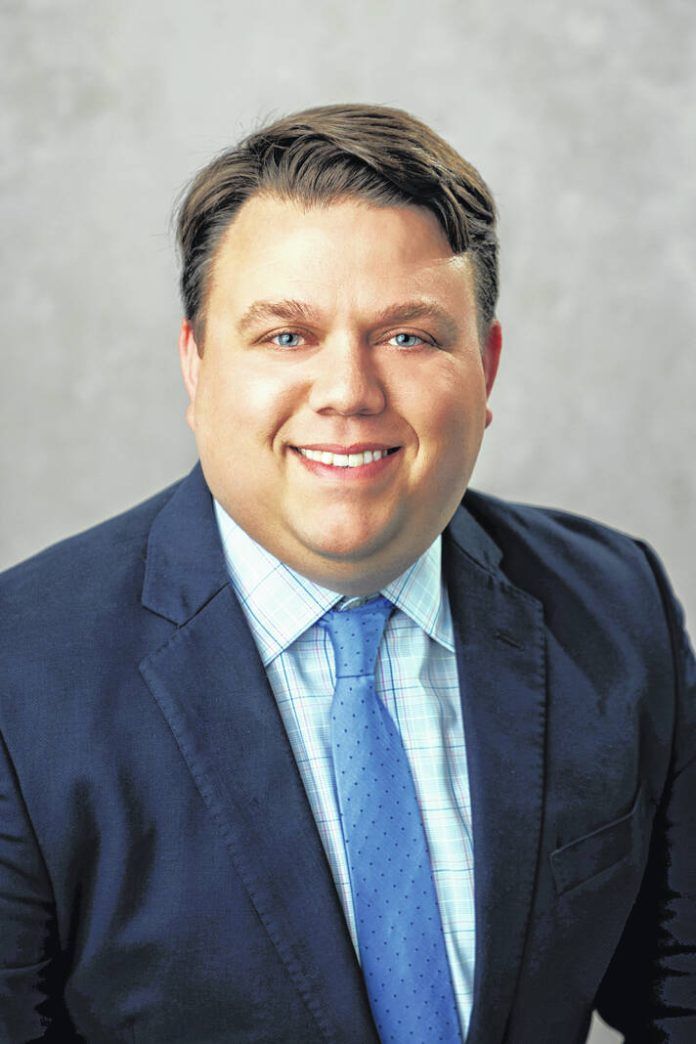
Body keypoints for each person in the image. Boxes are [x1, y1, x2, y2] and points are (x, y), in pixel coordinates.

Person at [0, 103, 694, 1044]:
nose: (349, 392)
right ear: (196, 366)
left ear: (485, 369)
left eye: (409, 336)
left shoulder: (614, 607)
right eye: (286, 336)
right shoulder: (22, 674)